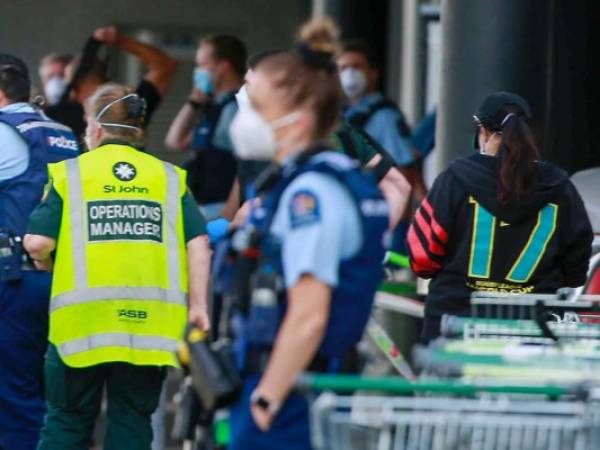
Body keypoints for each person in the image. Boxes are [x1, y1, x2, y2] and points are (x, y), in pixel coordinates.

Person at [219, 28, 389, 449]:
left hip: (290, 393)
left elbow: (308, 315)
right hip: (293, 382)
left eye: (256, 106)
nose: (245, 118)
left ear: (300, 120)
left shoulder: (310, 194)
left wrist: (266, 399)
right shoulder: (314, 179)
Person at [24, 83, 211, 449]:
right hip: (150, 328)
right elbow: (199, 242)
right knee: (132, 422)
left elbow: (39, 242)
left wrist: (42, 261)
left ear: (94, 128)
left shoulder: (70, 174)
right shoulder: (169, 178)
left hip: (80, 328)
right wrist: (200, 306)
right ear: (137, 130)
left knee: (67, 421)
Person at [407, 91, 593, 343]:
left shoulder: (453, 181)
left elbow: (422, 259)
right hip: (533, 336)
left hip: (454, 333)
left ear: (482, 131)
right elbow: (576, 271)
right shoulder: (560, 188)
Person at [0, 53, 80, 450]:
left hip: (13, 279)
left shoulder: (3, 132)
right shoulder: (64, 133)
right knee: (52, 396)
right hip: (63, 278)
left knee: (13, 397)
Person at [165, 34, 246, 220]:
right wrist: (194, 102)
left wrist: (229, 213)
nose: (197, 72)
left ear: (223, 67)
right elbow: (175, 141)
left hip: (221, 209)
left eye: (202, 65)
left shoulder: (234, 108)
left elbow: (245, 165)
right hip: (203, 206)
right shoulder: (213, 107)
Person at [45, 26, 178, 139]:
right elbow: (164, 66)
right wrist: (119, 40)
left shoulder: (52, 117)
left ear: (74, 85)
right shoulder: (129, 109)